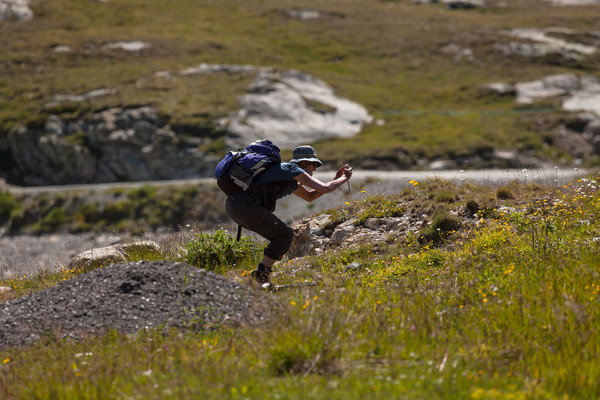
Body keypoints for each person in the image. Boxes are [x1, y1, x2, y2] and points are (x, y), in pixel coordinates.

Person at [225, 145, 353, 286]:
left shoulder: (286, 175)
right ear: (304, 163)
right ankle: (260, 278)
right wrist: (344, 178)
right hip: (245, 206)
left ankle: (259, 279)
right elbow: (326, 188)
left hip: (234, 206)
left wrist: (335, 179)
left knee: (280, 235)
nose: (314, 169)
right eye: (313, 164)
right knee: (284, 235)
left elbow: (309, 196)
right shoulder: (291, 169)